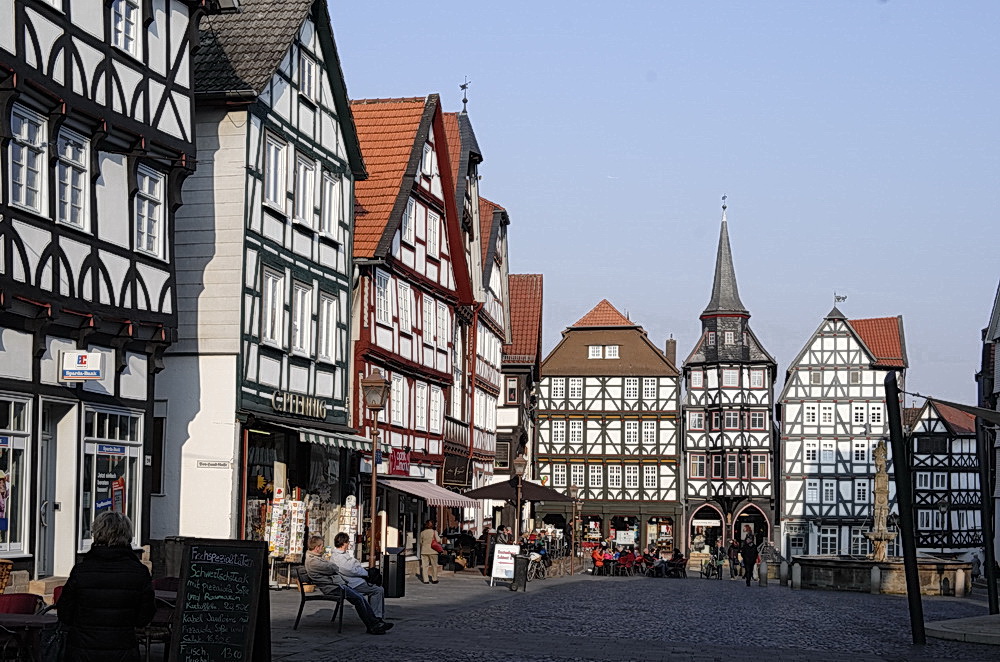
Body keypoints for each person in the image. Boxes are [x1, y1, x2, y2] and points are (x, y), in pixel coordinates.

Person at [58, 511, 155, 661]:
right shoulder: (139, 573)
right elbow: (144, 617)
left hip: (82, 651)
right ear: (127, 535)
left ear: (97, 533)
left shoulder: (81, 571)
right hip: (123, 651)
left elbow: (64, 613)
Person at [305, 535, 392, 635]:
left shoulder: (317, 558)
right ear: (317, 548)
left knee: (360, 598)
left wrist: (331, 565)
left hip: (338, 584)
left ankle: (375, 623)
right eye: (322, 546)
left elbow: (333, 566)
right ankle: (373, 625)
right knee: (359, 599)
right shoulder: (313, 561)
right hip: (333, 588)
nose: (323, 548)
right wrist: (331, 565)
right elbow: (334, 567)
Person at [328, 532, 386, 622]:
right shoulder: (338, 557)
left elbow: (354, 567)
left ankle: (375, 615)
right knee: (378, 590)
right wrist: (366, 573)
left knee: (377, 586)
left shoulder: (341, 555)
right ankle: (376, 617)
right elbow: (351, 570)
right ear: (344, 543)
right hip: (352, 584)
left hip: (353, 581)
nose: (348, 544)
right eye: (347, 542)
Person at [419, 520, 441, 584]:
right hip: (433, 551)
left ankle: (426, 580)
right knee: (434, 566)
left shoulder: (422, 533)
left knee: (425, 566)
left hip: (424, 551)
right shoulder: (434, 532)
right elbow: (438, 540)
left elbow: (420, 542)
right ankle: (434, 579)